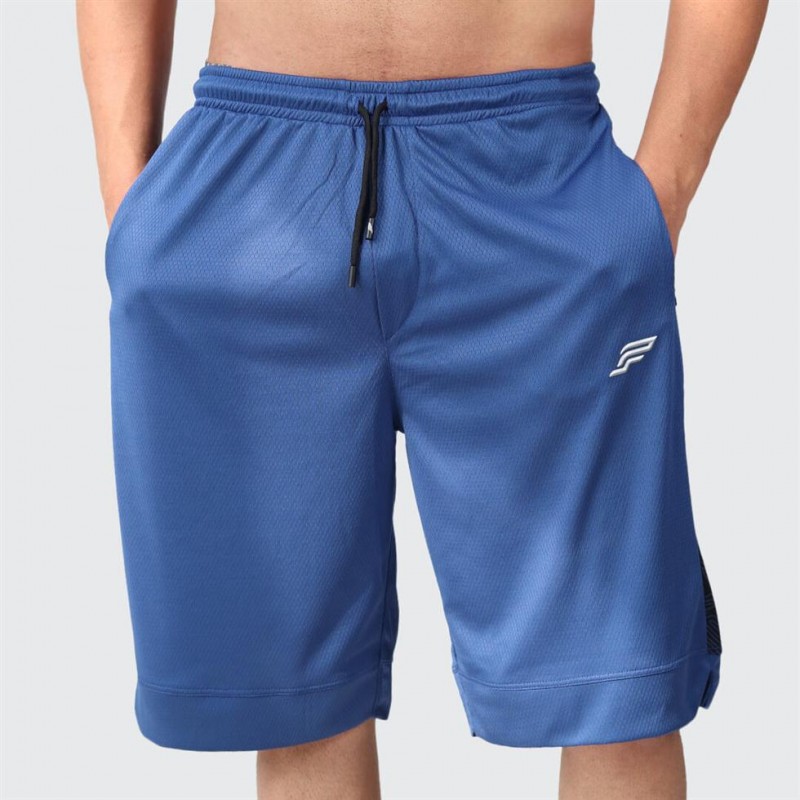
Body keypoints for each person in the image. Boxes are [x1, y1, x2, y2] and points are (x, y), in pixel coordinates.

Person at [77, 1, 767, 797]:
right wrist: (133, 216)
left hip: (535, 181)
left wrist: (659, 199)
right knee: (297, 705)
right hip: (250, 183)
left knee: (617, 688)